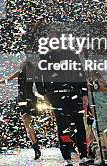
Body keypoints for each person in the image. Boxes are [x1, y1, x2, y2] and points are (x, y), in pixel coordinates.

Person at [38, 35, 92, 166]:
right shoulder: (45, 56)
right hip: (57, 96)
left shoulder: (72, 54)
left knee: (79, 125)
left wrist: (84, 92)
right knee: (63, 127)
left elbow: (80, 73)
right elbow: (39, 76)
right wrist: (43, 92)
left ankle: (83, 155)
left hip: (74, 94)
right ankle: (67, 156)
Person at [0, 59, 42, 159]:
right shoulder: (34, 73)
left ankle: (35, 146)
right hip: (31, 98)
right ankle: (37, 143)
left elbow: (7, 80)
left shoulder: (20, 72)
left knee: (28, 125)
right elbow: (39, 87)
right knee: (31, 123)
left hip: (23, 99)